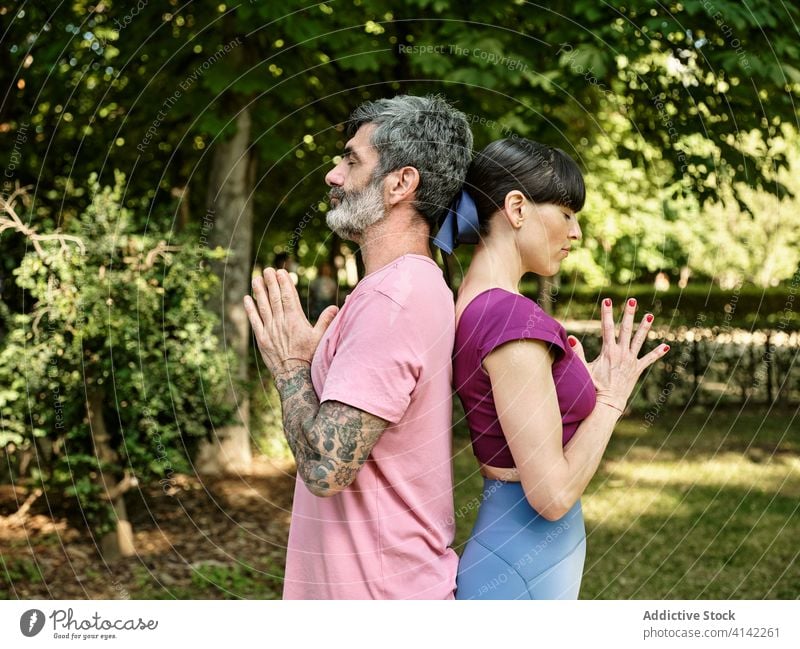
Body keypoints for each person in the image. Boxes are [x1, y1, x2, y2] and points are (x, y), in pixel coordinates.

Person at [243, 95, 473, 598]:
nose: (333, 175)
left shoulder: (393, 299)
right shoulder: (405, 287)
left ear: (400, 183)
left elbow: (325, 469)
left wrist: (289, 367)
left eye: (351, 160)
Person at [441, 138, 669, 599]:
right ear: (517, 208)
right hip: (520, 572)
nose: (577, 232)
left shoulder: (480, 305)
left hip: (521, 561)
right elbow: (552, 495)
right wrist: (610, 399)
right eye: (566, 213)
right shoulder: (508, 318)